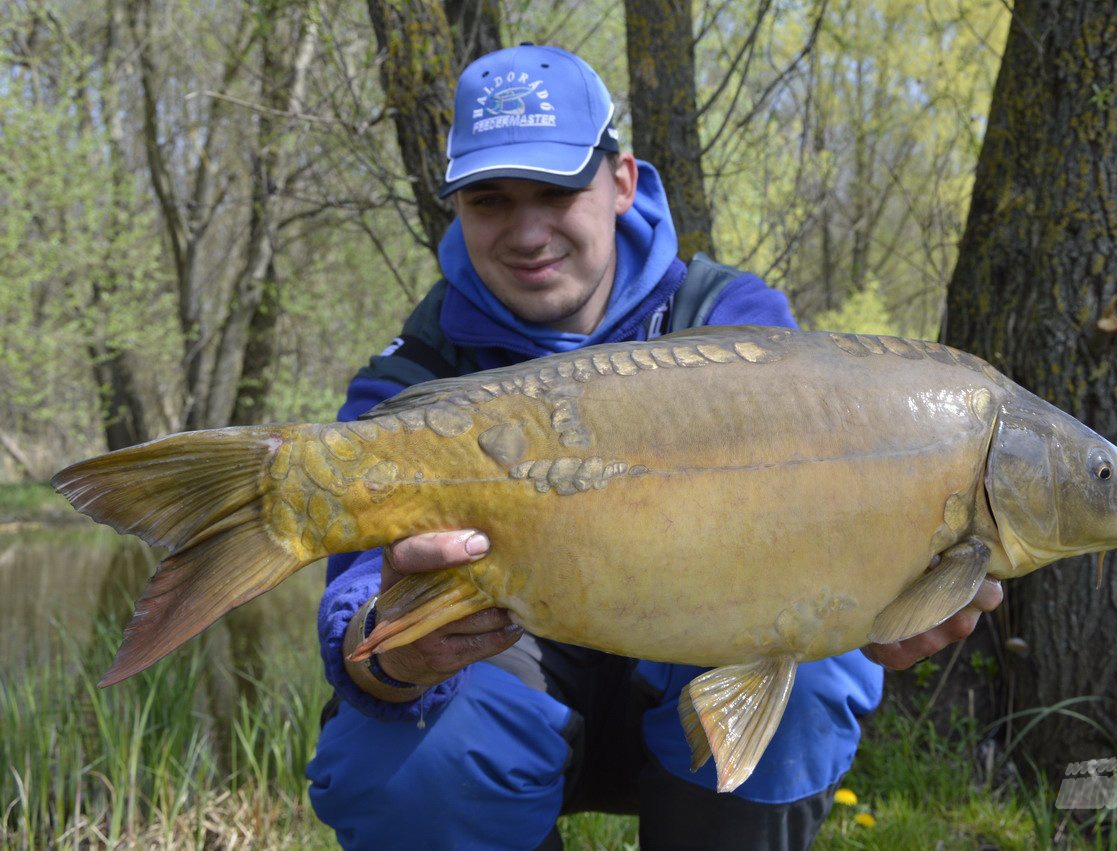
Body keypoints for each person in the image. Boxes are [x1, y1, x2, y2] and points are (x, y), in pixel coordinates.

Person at [306, 43, 1003, 850]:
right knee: (399, 762)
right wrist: (381, 655)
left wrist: (873, 597)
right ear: (458, 208)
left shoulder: (732, 321)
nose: (527, 230)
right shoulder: (414, 374)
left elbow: (821, 512)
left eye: (557, 189)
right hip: (500, 678)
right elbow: (357, 592)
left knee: (815, 673)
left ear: (622, 181)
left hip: (696, 682)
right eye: (491, 199)